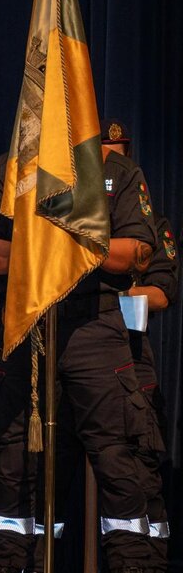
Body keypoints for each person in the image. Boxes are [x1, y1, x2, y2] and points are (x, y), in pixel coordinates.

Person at [0, 137, 159, 573]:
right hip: (28, 326)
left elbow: (138, 253)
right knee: (16, 462)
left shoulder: (116, 171)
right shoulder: (11, 168)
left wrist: (72, 239)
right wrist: (33, 245)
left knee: (119, 462)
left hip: (96, 327)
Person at [102, 120, 178, 570]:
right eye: (106, 149)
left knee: (138, 469)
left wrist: (112, 297)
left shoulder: (150, 223)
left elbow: (163, 291)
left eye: (120, 150)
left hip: (130, 359)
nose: (113, 158)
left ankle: (148, 560)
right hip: (80, 353)